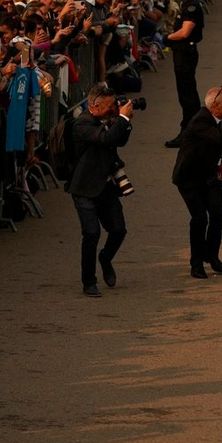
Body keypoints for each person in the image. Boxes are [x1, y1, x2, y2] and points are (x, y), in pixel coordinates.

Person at [171, 87, 222, 279]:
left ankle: (212, 256)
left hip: (210, 176)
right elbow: (221, 140)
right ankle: (196, 264)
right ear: (215, 106)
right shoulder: (200, 121)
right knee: (199, 219)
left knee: (218, 214)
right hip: (189, 179)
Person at [69, 84, 134, 297]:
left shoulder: (107, 119)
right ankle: (89, 281)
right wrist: (122, 119)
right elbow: (105, 138)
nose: (112, 110)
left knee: (119, 230)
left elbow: (119, 140)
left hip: (105, 186)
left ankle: (105, 257)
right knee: (91, 233)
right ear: (94, 106)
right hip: (84, 187)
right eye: (109, 107)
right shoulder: (82, 123)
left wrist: (126, 121)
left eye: (114, 105)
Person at [163, 0, 204, 148]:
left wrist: (167, 38)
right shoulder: (186, 5)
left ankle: (188, 133)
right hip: (182, 53)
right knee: (187, 94)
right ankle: (195, 130)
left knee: (187, 95)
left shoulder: (192, 7)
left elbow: (185, 32)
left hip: (185, 54)